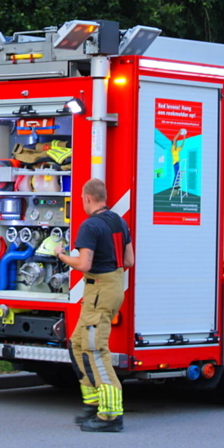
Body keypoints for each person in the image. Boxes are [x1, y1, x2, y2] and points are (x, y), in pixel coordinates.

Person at [55, 178, 134, 432]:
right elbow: (129, 260)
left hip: (98, 289)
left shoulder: (90, 226)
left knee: (95, 350)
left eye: (81, 198)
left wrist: (61, 255)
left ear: (87, 198)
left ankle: (110, 415)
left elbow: (85, 264)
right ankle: (93, 403)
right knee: (78, 344)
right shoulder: (119, 222)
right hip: (111, 287)